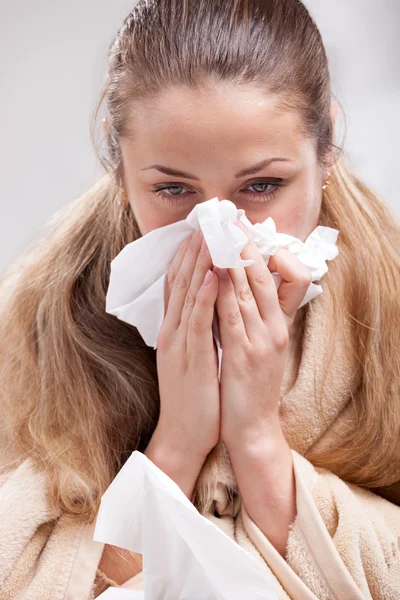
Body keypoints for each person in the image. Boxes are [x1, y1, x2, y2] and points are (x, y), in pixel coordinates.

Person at [1, 0, 399, 598]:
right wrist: (180, 440)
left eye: (262, 185)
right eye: (173, 189)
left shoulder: (389, 304)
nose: (218, 231)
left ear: (327, 148)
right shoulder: (38, 321)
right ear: (120, 167)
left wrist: (259, 440)